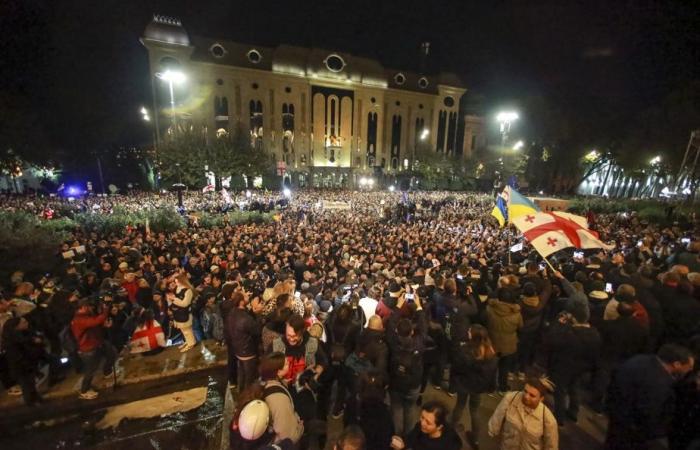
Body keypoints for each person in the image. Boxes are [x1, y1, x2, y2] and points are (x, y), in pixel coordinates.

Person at [605, 344, 695, 450]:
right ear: (677, 364)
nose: (690, 371)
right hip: (631, 430)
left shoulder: (640, 359)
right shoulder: (661, 383)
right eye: (689, 367)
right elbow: (649, 414)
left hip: (616, 413)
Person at [386, 289, 428, 436]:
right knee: (410, 409)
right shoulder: (419, 343)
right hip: (413, 383)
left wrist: (398, 305)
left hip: (396, 381)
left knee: (396, 409)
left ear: (397, 331)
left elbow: (391, 322)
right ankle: (408, 437)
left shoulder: (393, 341)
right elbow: (423, 328)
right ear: (411, 332)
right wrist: (419, 306)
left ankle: (396, 436)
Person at [450, 324, 498, 449]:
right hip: (479, 387)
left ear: (474, 337)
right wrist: (492, 387)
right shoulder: (490, 353)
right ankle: (475, 439)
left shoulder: (465, 350)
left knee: (459, 405)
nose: (468, 332)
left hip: (464, 384)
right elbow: (493, 373)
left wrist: (454, 382)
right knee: (475, 411)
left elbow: (457, 367)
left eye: (470, 331)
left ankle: (451, 429)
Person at [487, 376, 559, 450]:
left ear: (541, 399)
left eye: (532, 395)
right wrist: (493, 431)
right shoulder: (510, 399)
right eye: (525, 391)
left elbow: (551, 446)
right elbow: (496, 420)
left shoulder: (548, 419)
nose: (526, 396)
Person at [71, 298, 117, 400]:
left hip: (98, 342)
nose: (91, 308)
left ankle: (107, 371)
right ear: (83, 308)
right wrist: (106, 310)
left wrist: (104, 325)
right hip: (88, 348)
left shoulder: (86, 316)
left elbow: (96, 325)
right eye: (88, 307)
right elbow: (95, 321)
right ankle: (84, 390)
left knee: (111, 353)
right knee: (90, 370)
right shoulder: (79, 319)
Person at [259, 352, 304, 444]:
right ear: (278, 371)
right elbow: (288, 435)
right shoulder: (278, 399)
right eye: (286, 364)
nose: (289, 364)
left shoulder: (264, 382)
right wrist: (300, 428)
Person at [486, 288, 523, 393]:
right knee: (504, 368)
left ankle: (490, 388)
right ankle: (502, 387)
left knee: (492, 366)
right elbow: (521, 327)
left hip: (492, 342)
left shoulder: (489, 309)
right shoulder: (516, 314)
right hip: (509, 344)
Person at [392, 401, 462, 450]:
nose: (422, 423)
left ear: (439, 427)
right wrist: (403, 442)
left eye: (428, 422)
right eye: (422, 417)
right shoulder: (420, 426)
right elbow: (411, 438)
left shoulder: (447, 443)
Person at [227, 290, 261, 390]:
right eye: (246, 297)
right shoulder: (245, 318)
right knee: (250, 378)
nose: (248, 297)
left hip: (238, 349)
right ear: (241, 301)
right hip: (248, 352)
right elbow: (257, 330)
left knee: (242, 374)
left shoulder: (232, 312)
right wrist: (258, 314)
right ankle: (247, 398)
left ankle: (240, 392)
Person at [169, 273, 196, 352]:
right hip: (178, 313)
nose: (176, 283)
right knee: (183, 330)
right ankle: (188, 341)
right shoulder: (177, 288)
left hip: (185, 313)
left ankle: (191, 343)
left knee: (187, 330)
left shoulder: (188, 290)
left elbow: (185, 303)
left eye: (177, 281)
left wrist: (174, 299)